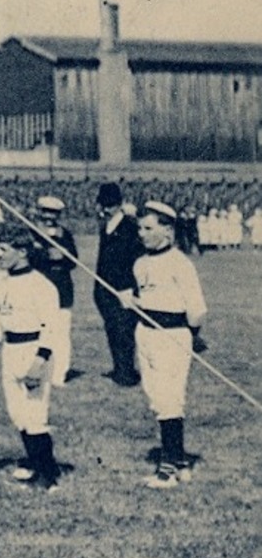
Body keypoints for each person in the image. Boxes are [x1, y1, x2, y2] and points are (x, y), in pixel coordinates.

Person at [121, 201, 208, 489]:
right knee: (156, 397)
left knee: (169, 399)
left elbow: (197, 309)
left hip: (172, 335)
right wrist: (132, 303)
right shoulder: (140, 263)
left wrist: (192, 335)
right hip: (145, 334)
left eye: (149, 228)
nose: (142, 234)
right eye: (140, 228)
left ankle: (168, 470)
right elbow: (147, 300)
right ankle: (180, 462)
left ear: (168, 230)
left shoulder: (180, 263)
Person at [0, 233, 64, 491]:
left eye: (4, 249)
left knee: (35, 415)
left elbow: (52, 326)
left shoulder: (42, 286)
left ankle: (48, 477)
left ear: (23, 251)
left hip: (34, 350)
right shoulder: (2, 282)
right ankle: (35, 464)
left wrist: (40, 360)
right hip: (10, 350)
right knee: (18, 414)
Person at [94, 182, 142, 386]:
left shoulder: (131, 227)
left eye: (111, 204)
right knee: (112, 328)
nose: (107, 208)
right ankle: (119, 367)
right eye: (105, 204)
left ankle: (127, 372)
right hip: (104, 289)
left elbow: (137, 259)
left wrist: (130, 288)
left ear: (120, 204)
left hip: (124, 288)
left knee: (125, 329)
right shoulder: (105, 227)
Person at [27, 195, 78, 385]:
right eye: (46, 212)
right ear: (40, 212)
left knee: (61, 332)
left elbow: (73, 261)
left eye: (54, 213)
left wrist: (62, 256)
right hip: (38, 288)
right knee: (35, 330)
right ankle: (35, 371)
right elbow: (27, 258)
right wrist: (45, 253)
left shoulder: (65, 235)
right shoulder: (31, 233)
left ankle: (59, 374)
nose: (49, 216)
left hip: (62, 289)